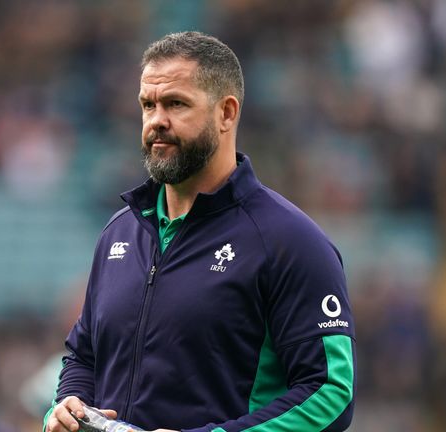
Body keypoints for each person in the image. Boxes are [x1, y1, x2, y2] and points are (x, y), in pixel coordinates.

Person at [44, 31, 356, 432]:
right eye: (147, 105)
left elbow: (330, 392)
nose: (157, 120)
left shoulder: (290, 241)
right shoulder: (119, 233)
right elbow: (83, 356)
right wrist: (66, 408)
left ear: (226, 113)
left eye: (176, 104)